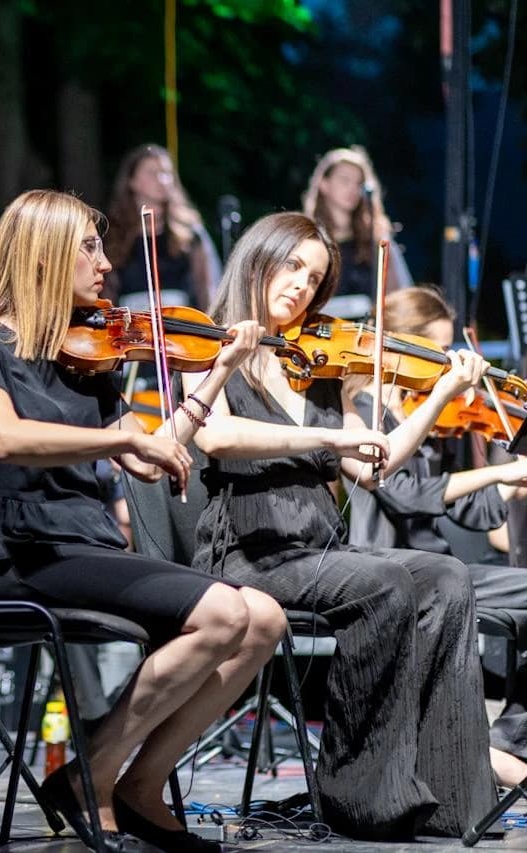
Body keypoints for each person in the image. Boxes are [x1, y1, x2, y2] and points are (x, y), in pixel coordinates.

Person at [0, 188, 286, 853]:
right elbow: (5, 437)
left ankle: (138, 783)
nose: (105, 263)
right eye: (90, 247)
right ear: (42, 255)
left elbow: (157, 458)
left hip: (84, 549)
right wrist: (123, 442)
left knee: (262, 618)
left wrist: (219, 371)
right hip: (15, 554)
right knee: (222, 614)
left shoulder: (87, 359)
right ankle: (90, 779)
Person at [190, 211, 496, 839]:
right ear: (258, 258)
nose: (302, 286)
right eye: (293, 266)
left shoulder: (318, 364)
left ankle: (448, 798)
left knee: (445, 575)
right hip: (248, 554)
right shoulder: (209, 344)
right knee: (382, 582)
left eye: (316, 277)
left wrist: (439, 394)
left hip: (317, 555)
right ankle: (359, 796)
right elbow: (216, 436)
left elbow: (375, 468)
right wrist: (324, 432)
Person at [344, 285, 527, 787]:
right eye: (438, 350)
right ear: (402, 344)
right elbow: (402, 493)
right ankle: (492, 755)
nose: (446, 363)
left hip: (445, 566)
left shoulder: (427, 412)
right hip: (388, 566)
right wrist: (495, 476)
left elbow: (475, 510)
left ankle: (504, 741)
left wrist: (508, 471)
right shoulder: (360, 407)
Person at [103, 144, 222, 310]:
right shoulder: (113, 235)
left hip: (182, 327)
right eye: (152, 173)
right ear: (132, 181)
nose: (162, 180)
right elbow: (107, 296)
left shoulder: (189, 233)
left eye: (166, 173)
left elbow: (207, 291)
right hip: (131, 330)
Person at [302, 145, 413, 312]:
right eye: (344, 180)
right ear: (324, 184)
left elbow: (398, 295)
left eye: (359, 183)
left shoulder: (375, 238)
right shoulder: (306, 237)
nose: (353, 189)